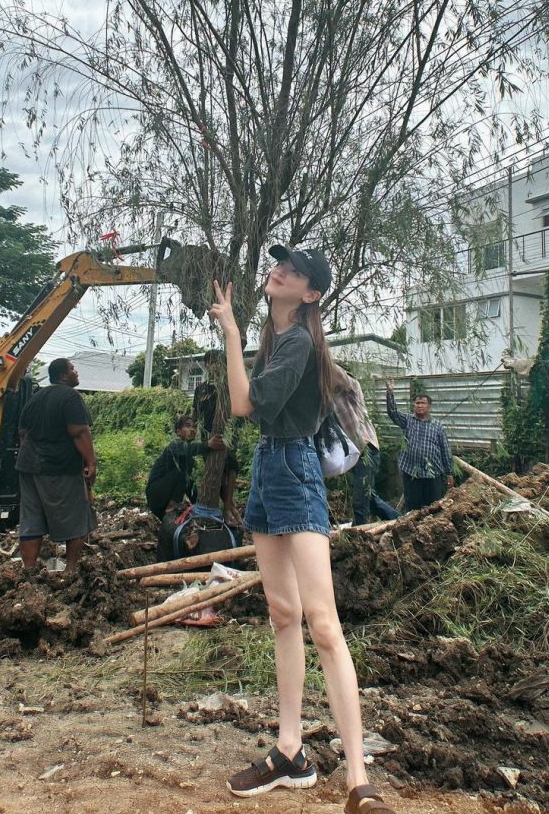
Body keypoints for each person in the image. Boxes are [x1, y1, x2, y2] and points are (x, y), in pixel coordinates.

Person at [210, 244, 397, 814]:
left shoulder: (298, 342)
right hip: (270, 470)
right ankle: (290, 751)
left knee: (323, 622)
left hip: (293, 469)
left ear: (311, 294)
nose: (281, 271)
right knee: (284, 615)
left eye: (294, 271)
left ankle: (358, 780)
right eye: (281, 265)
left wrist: (232, 335)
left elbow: (243, 404)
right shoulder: (281, 336)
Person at [15, 357, 97, 573]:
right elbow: (79, 431)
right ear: (62, 375)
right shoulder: (71, 397)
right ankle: (70, 571)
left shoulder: (35, 397)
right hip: (59, 468)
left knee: (31, 519)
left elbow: (22, 433)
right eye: (72, 369)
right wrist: (91, 462)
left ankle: (29, 571)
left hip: (28, 467)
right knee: (76, 518)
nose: (76, 372)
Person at [333, 367, 398, 525]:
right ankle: (398, 520)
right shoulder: (330, 397)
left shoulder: (350, 387)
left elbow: (330, 368)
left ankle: (360, 538)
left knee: (360, 501)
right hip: (354, 453)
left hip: (366, 449)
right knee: (366, 496)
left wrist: (316, 352)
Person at [385, 380, 454, 512]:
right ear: (413, 405)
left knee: (434, 508)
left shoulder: (437, 425)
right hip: (412, 473)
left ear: (429, 407)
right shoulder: (407, 421)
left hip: (433, 474)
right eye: (417, 403)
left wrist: (449, 473)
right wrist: (390, 392)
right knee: (413, 508)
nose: (419, 406)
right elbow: (392, 412)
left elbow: (445, 449)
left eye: (423, 403)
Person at [192, 349, 241, 524]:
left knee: (231, 466)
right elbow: (195, 414)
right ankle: (229, 506)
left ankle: (228, 507)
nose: (214, 366)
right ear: (206, 365)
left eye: (218, 362)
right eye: (210, 362)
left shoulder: (229, 386)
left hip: (227, 434)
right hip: (208, 436)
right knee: (215, 471)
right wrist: (192, 437)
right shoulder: (201, 389)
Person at [145, 414, 226, 520]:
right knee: (181, 472)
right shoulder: (174, 445)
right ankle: (172, 504)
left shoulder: (188, 458)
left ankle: (172, 506)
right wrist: (208, 444)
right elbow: (188, 449)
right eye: (188, 426)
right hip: (156, 494)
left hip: (163, 498)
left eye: (194, 427)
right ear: (178, 432)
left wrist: (199, 503)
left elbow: (188, 484)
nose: (192, 430)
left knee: (186, 475)